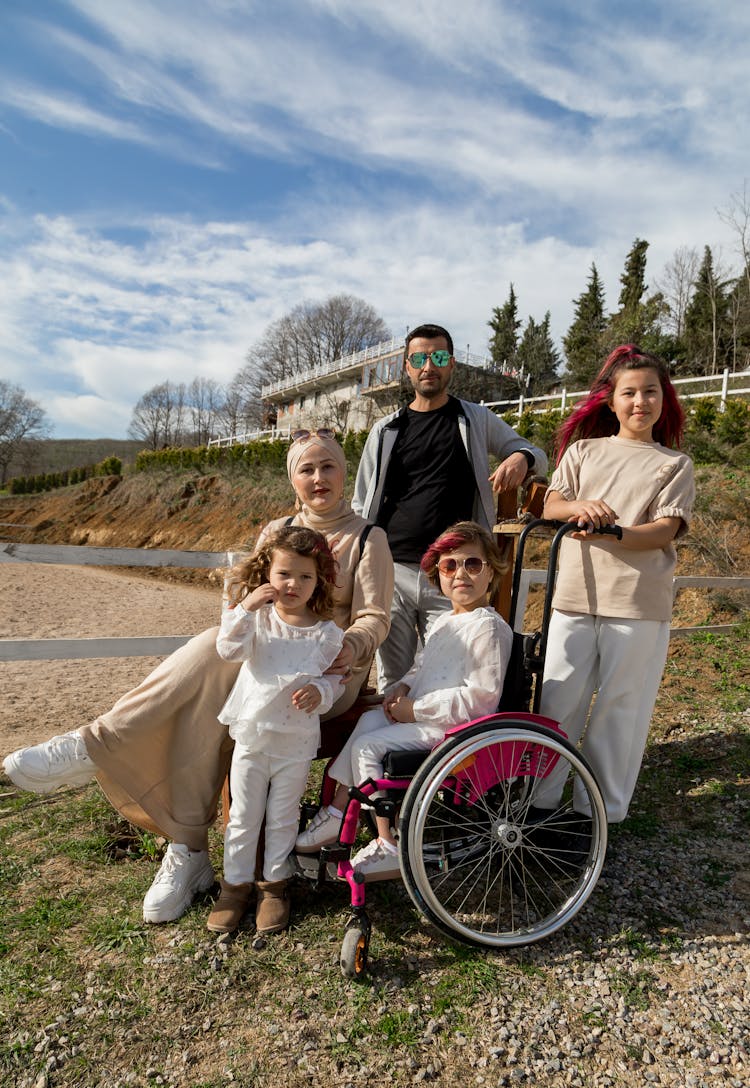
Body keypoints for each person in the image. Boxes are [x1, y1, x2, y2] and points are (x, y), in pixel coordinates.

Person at [3, 432, 393, 924]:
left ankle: (101, 751)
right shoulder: (276, 530)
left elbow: (377, 616)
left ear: (344, 473)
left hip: (322, 676)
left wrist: (351, 646)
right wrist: (242, 610)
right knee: (216, 665)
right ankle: (187, 848)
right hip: (262, 660)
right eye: (306, 469)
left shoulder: (367, 537)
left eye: (329, 467)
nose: (319, 478)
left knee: (212, 658)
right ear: (292, 480)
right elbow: (243, 601)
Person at [295, 521, 513, 879]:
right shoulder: (445, 622)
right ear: (437, 575)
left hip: (454, 730)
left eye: (473, 564)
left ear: (492, 571)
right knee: (367, 722)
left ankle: (388, 842)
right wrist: (402, 688)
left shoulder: (487, 628)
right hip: (427, 717)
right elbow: (422, 667)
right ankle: (337, 812)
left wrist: (416, 709)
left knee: (368, 746)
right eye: (450, 566)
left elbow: (481, 700)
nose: (461, 574)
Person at [533, 344, 695, 823]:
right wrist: (580, 508)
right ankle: (537, 805)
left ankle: (595, 818)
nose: (640, 402)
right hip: (574, 598)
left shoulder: (674, 464)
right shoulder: (583, 452)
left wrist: (615, 530)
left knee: (619, 714)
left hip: (639, 605)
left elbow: (665, 529)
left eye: (650, 392)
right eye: (630, 392)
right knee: (555, 703)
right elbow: (550, 507)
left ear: (664, 400)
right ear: (611, 400)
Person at [353, 322, 547, 690]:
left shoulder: (475, 419)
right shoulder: (386, 430)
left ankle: (448, 749)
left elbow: (538, 454)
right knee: (394, 678)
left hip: (453, 571)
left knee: (452, 673)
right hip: (393, 568)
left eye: (439, 357)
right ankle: (403, 746)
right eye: (420, 358)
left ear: (452, 364)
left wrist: (521, 458)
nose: (430, 366)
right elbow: (361, 500)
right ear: (407, 367)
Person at [207, 525, 344, 935]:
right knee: (244, 815)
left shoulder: (326, 633)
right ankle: (234, 887)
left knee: (282, 816)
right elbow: (227, 649)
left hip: (295, 743)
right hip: (252, 735)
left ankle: (274, 886)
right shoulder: (259, 621)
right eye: (284, 574)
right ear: (268, 571)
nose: (293, 584)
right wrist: (246, 607)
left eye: (305, 576)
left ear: (318, 580)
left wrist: (319, 691)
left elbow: (335, 681)